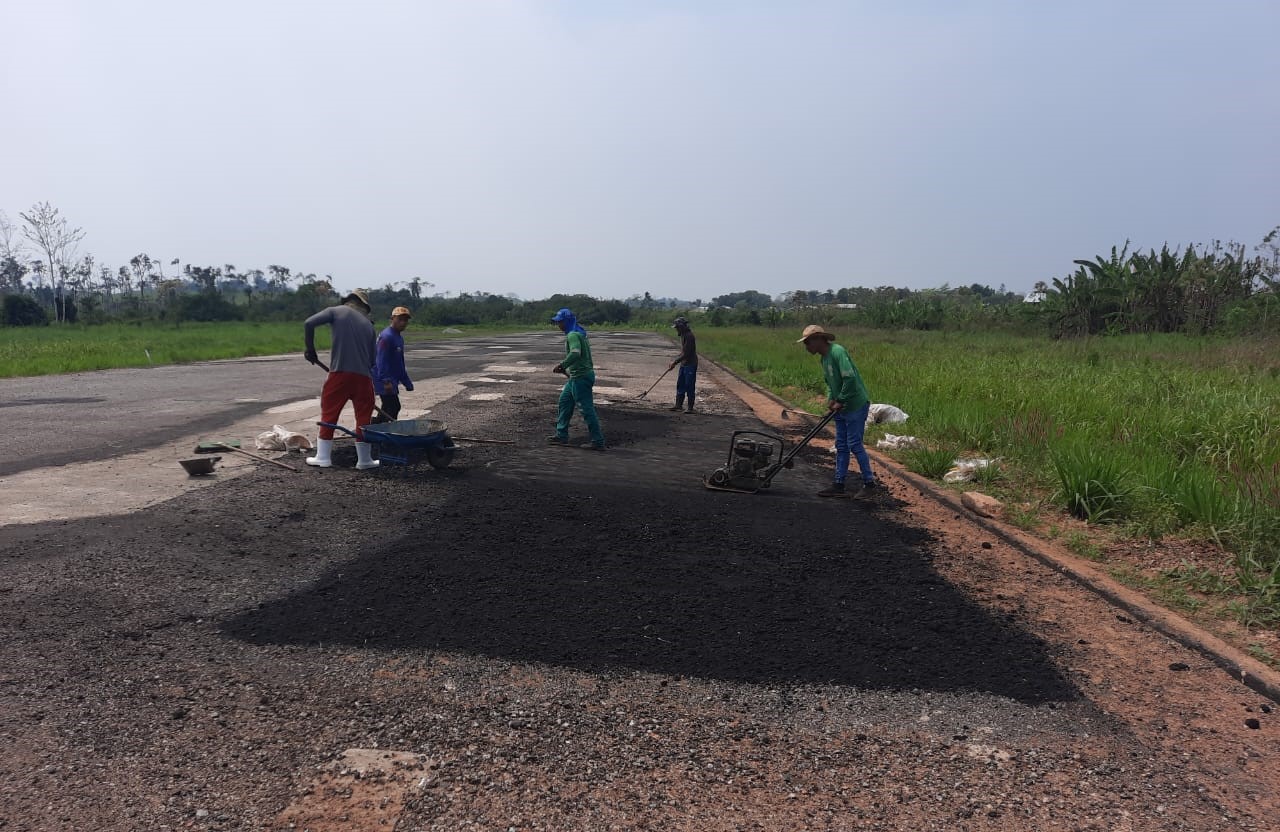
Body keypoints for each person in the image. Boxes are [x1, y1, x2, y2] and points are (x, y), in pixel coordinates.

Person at [797, 324, 880, 499]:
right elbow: (830, 382)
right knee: (841, 446)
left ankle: (869, 483)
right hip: (842, 407)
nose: (806, 347)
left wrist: (840, 400)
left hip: (855, 405)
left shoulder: (837, 352)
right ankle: (838, 484)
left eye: (808, 343)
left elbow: (849, 378)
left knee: (855, 444)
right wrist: (831, 399)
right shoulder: (824, 358)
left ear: (819, 339)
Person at [303, 289, 380, 470]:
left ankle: (323, 457)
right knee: (364, 418)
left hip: (339, 374)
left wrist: (310, 350)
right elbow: (372, 360)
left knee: (330, 413)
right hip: (363, 379)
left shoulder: (336, 311)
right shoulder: (369, 325)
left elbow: (308, 323)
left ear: (348, 301)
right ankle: (364, 460)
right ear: (364, 306)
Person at [547, 307, 606, 450]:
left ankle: (598, 441)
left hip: (581, 377)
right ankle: (561, 435)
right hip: (575, 377)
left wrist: (562, 365)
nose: (558, 325)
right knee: (564, 402)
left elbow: (575, 353)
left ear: (566, 322)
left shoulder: (573, 335)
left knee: (586, 410)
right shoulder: (578, 333)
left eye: (560, 322)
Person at [371, 306, 414, 424]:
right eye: (400, 319)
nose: (403, 323)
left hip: (392, 379)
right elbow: (381, 360)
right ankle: (382, 431)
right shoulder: (387, 337)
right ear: (392, 319)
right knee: (393, 406)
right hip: (383, 379)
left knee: (388, 408)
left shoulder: (398, 337)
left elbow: (399, 362)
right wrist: (386, 381)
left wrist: (406, 382)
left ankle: (375, 427)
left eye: (405, 320)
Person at [667, 316, 698, 413]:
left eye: (677, 328)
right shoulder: (683, 335)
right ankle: (678, 405)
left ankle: (690, 408)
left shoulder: (689, 336)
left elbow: (687, 353)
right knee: (680, 384)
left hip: (690, 364)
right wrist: (674, 361)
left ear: (682, 327)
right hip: (684, 364)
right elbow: (683, 352)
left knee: (689, 385)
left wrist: (675, 362)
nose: (676, 330)